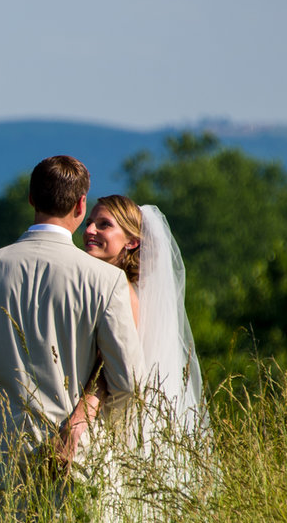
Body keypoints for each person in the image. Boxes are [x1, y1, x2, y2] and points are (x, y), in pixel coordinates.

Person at [0, 156, 143, 523]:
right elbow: (128, 381)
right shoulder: (105, 281)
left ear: (31, 197)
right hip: (72, 454)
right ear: (81, 205)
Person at [74, 195, 208, 497]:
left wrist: (80, 421)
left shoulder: (123, 293)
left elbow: (111, 372)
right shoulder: (121, 288)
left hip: (109, 423)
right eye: (90, 222)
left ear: (131, 242)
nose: (90, 230)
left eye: (104, 225)